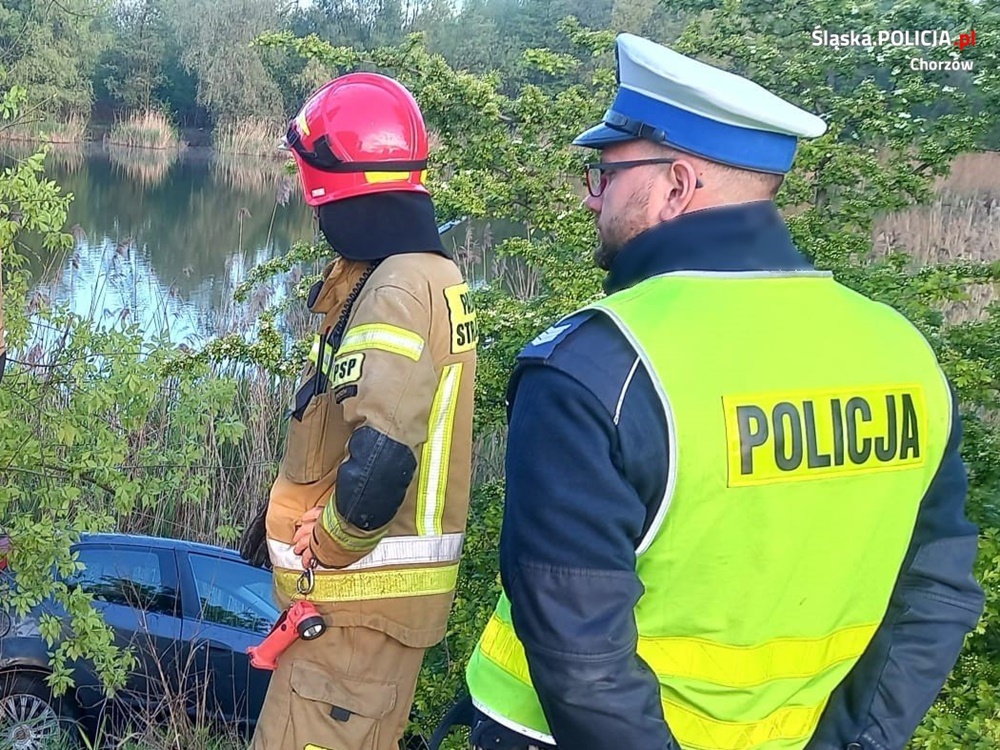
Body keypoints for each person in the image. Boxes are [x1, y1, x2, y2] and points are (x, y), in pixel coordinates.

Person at [463, 33, 984, 750]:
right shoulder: (902, 352)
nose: (593, 200)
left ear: (676, 185)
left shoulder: (602, 365)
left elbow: (579, 654)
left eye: (607, 174)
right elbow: (935, 593)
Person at [240, 72, 477, 750]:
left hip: (353, 619)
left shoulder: (397, 285)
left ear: (334, 183)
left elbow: (383, 454)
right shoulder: (432, 272)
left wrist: (337, 540)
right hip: (370, 624)